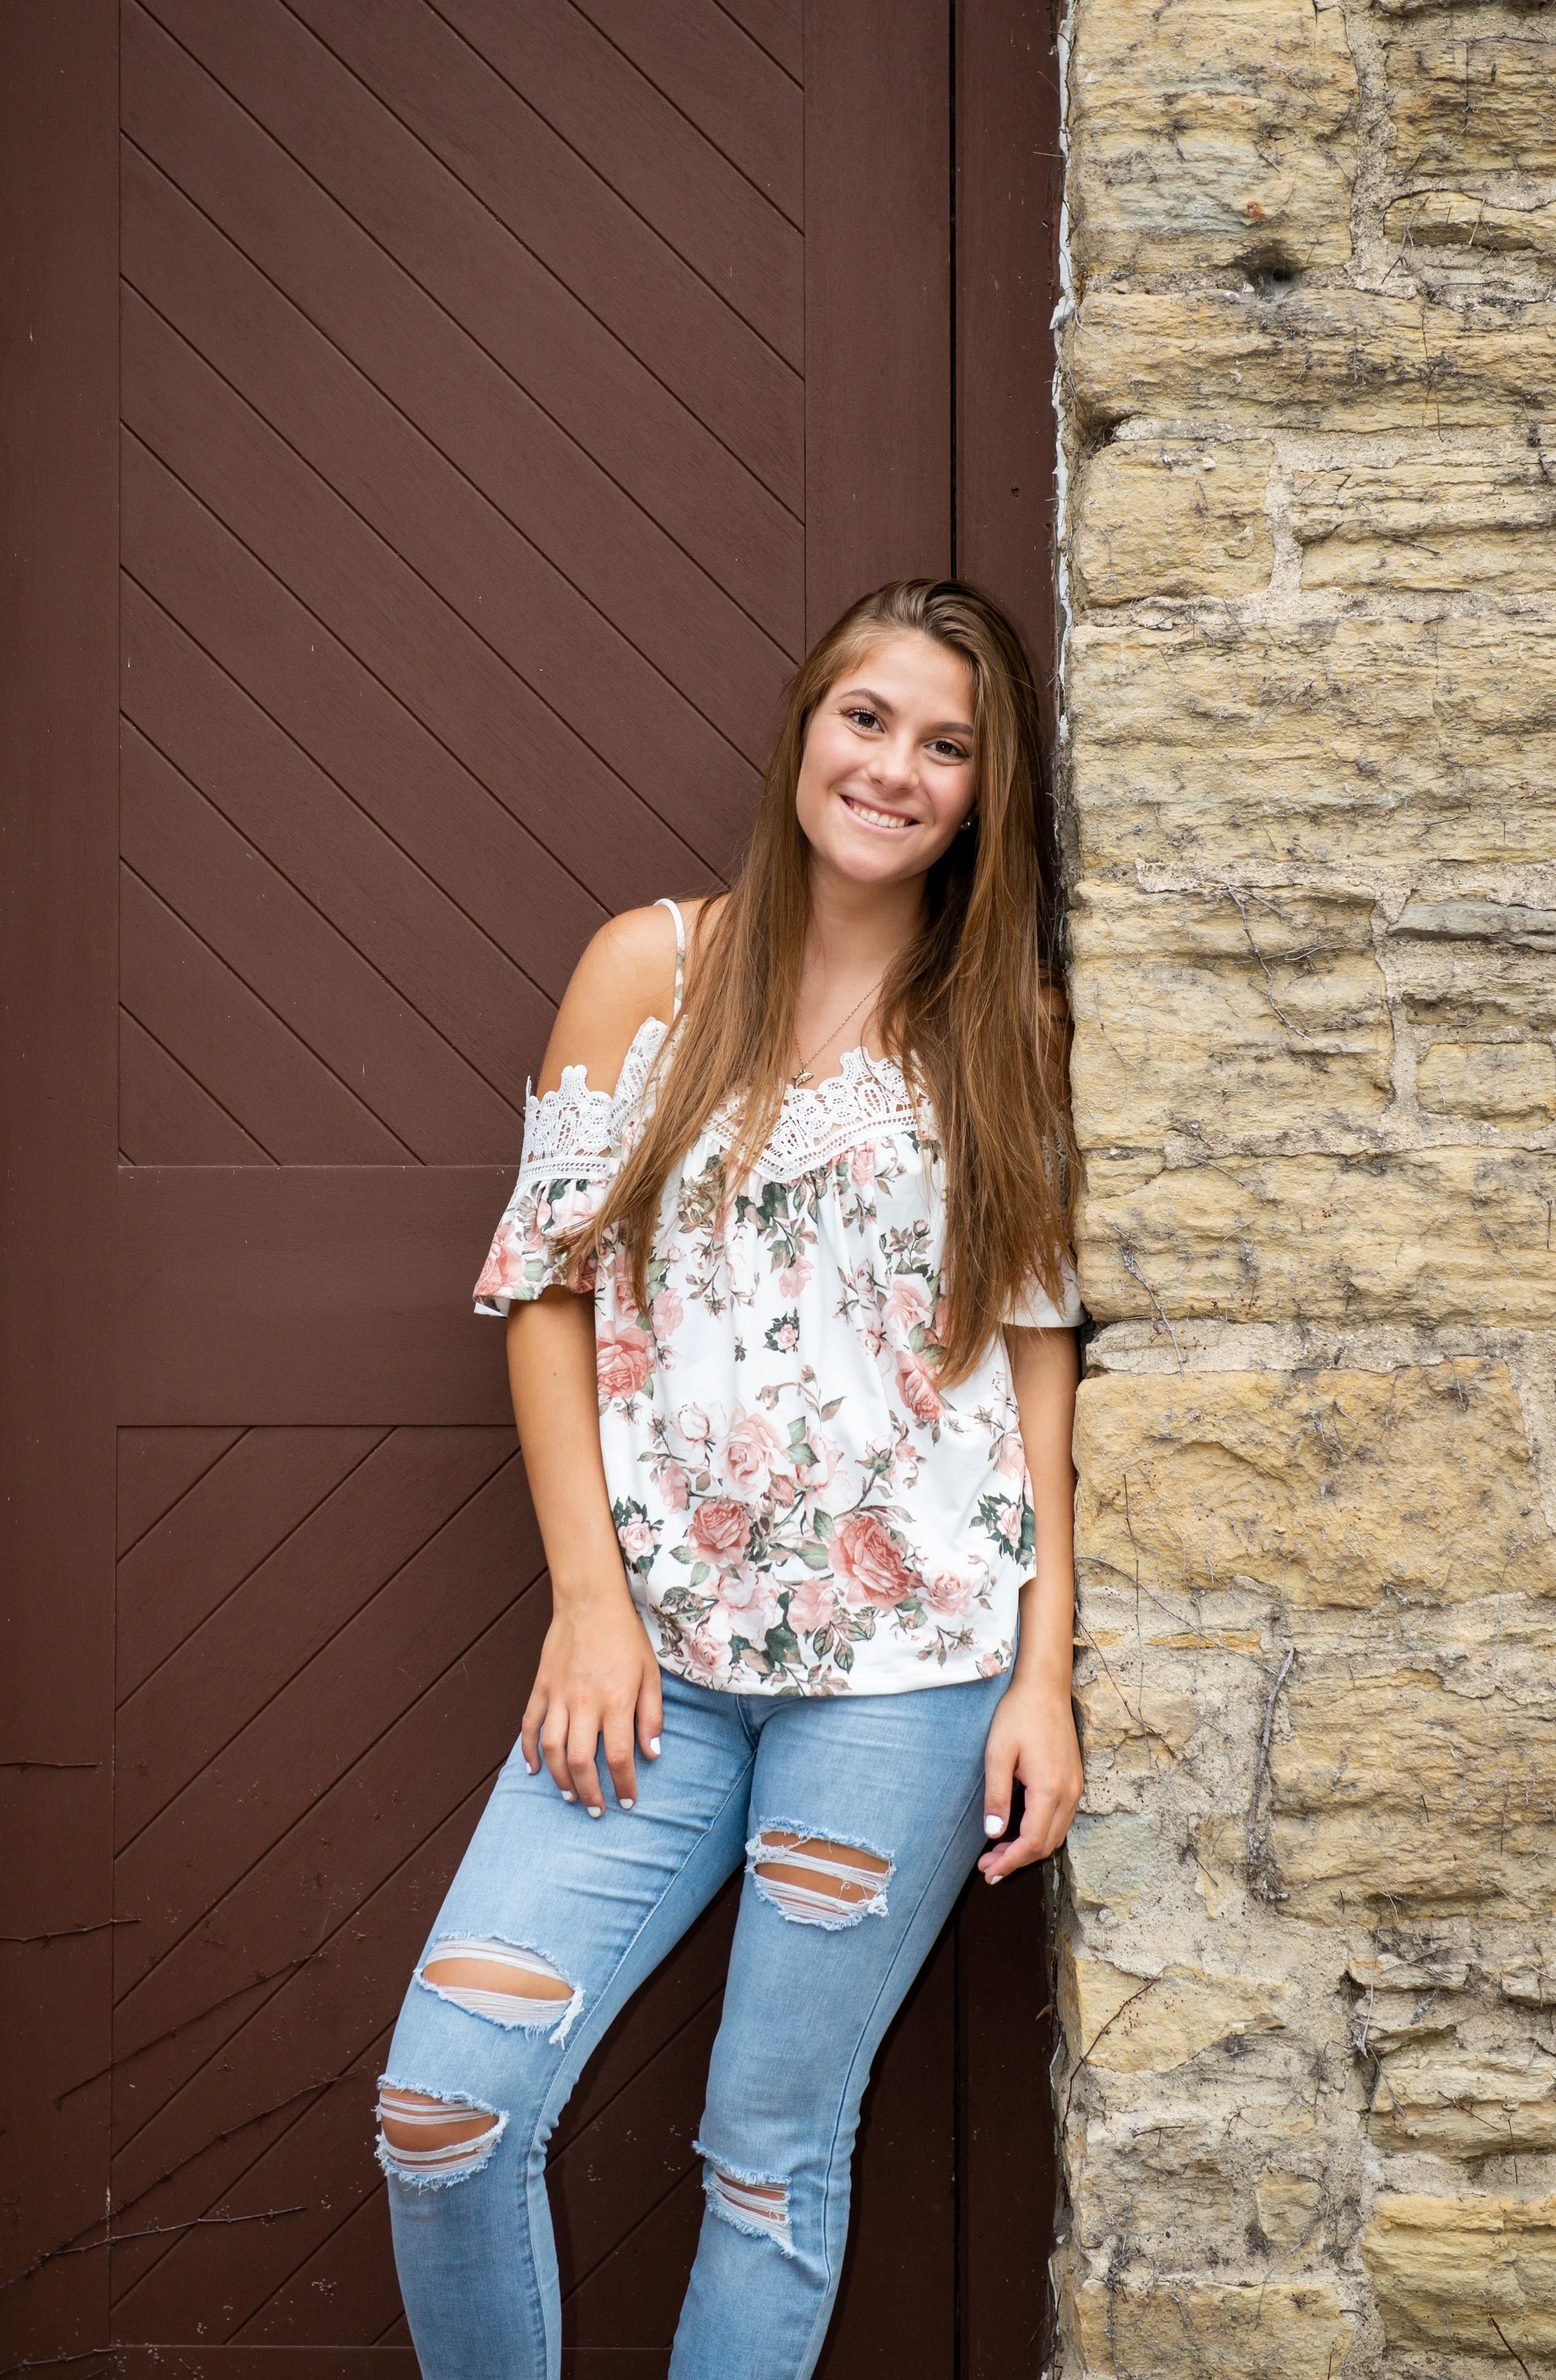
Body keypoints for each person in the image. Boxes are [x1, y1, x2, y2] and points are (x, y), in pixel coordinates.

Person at [377, 578, 1085, 2379]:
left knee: (769, 2168)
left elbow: (1031, 1356)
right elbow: (539, 1287)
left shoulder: (1008, 1026)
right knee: (444, 2115)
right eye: (868, 719)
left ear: (985, 798)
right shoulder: (654, 968)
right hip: (655, 1672)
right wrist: (592, 1606)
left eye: (948, 746)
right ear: (803, 728)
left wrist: (1042, 1672)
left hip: (909, 1681)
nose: (895, 769)